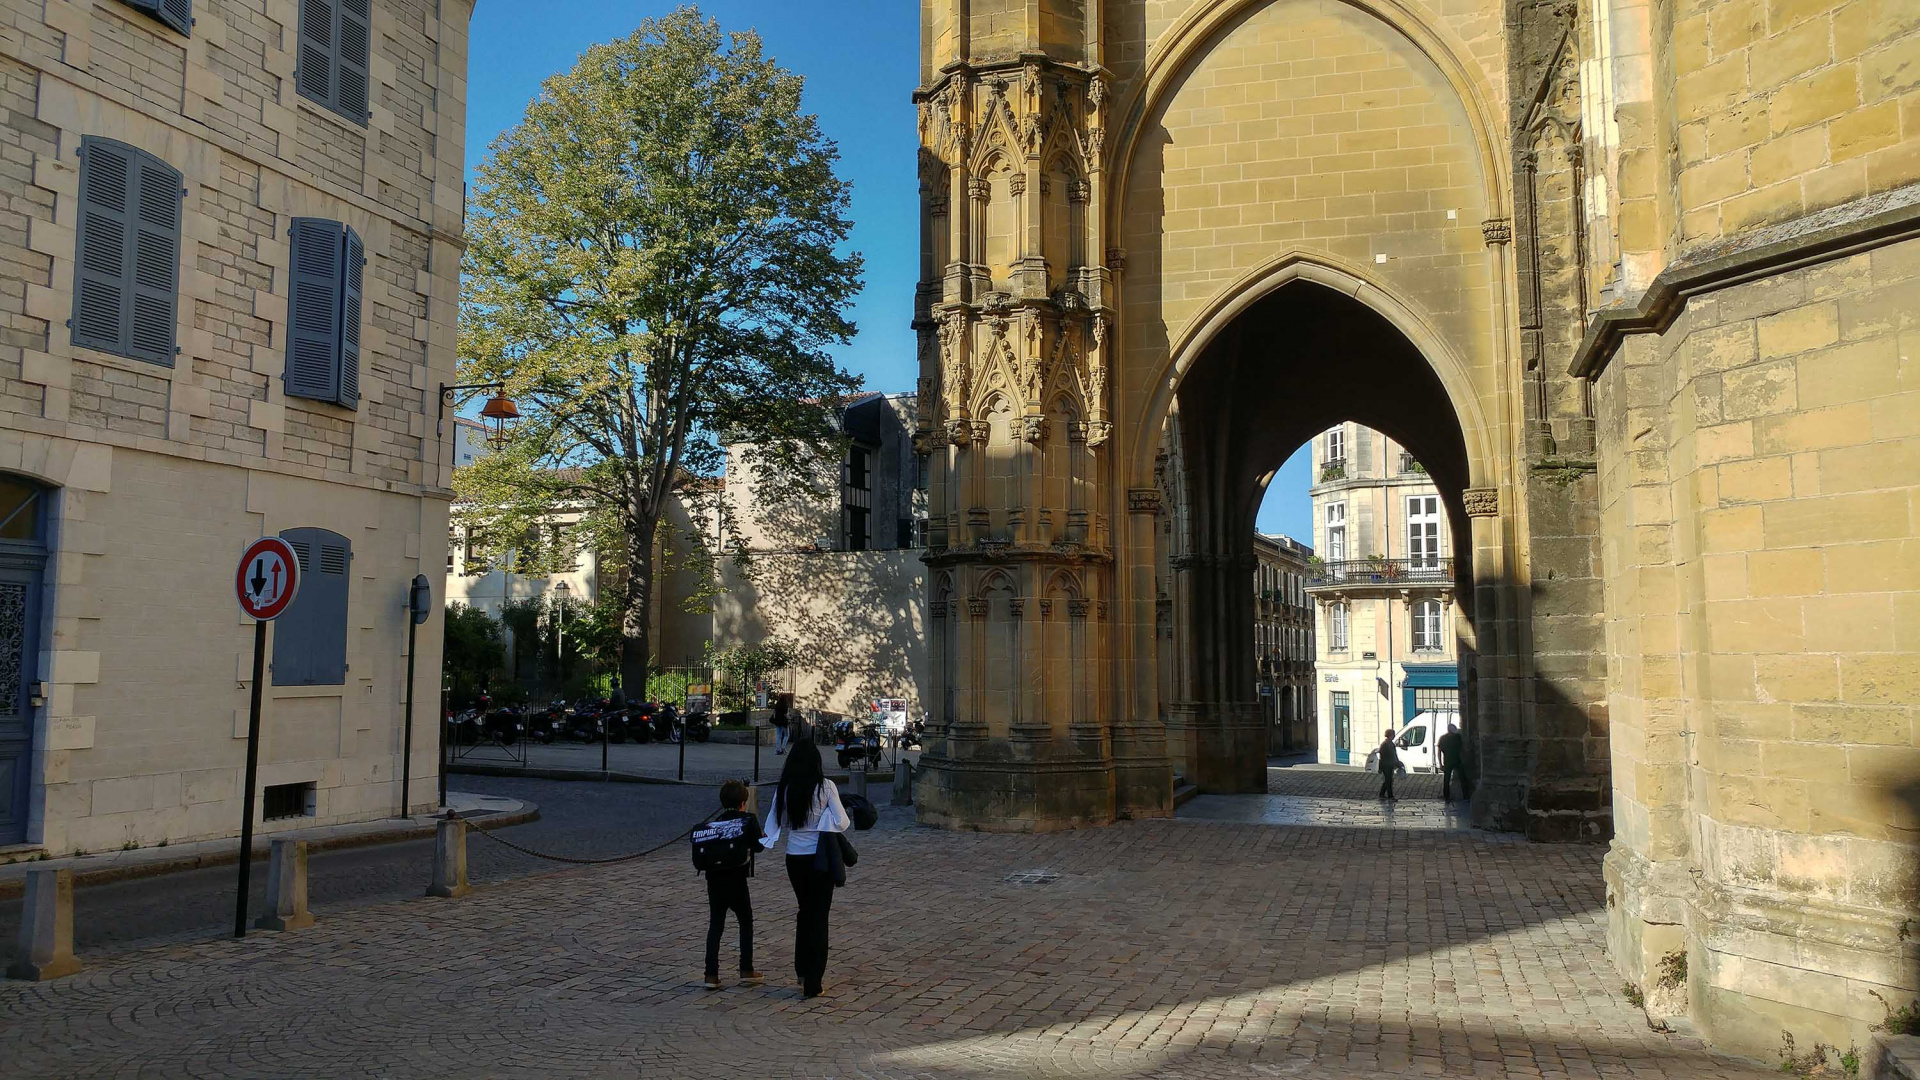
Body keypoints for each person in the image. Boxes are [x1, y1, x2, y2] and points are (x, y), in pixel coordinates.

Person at [763, 740, 850, 998]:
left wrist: (765, 842)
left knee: (805, 911)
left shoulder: (785, 788)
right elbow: (842, 821)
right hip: (819, 857)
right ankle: (814, 980)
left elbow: (774, 822)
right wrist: (824, 820)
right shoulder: (826, 787)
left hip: (794, 856)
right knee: (819, 917)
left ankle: (801, 969)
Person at [701, 780, 766, 990]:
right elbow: (758, 847)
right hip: (737, 878)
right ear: (743, 803)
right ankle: (746, 969)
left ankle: (711, 974)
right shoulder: (748, 820)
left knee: (716, 924)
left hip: (715, 879)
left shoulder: (716, 822)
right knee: (745, 921)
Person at [1438, 722, 1471, 802]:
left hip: (1448, 761)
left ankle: (1447, 797)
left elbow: (1439, 751)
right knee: (1462, 779)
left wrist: (1440, 763)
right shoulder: (1457, 737)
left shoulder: (1443, 738)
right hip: (1457, 760)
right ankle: (1465, 796)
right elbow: (1462, 748)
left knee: (1447, 779)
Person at [1377, 730, 1400, 801]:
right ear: (1391, 735)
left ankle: (1382, 794)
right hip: (1387, 765)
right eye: (1393, 734)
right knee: (1389, 780)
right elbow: (1392, 755)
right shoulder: (1388, 744)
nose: (1394, 736)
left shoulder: (1386, 743)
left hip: (1387, 764)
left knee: (1388, 780)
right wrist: (1396, 762)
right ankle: (1390, 796)